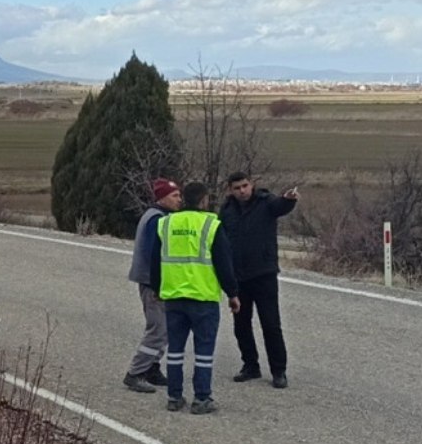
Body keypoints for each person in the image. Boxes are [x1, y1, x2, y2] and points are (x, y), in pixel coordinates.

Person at [149, 181, 241, 414]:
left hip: (174, 297)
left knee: (175, 350)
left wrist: (157, 288)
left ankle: (174, 396)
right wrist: (232, 293)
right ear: (203, 200)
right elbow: (224, 262)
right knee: (203, 352)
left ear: (183, 199)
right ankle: (201, 398)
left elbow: (155, 260)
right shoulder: (211, 224)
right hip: (203, 297)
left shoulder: (166, 223)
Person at [218, 171, 299, 389]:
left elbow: (280, 207)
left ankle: (278, 371)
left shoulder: (266, 202)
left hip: (264, 274)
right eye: (237, 188)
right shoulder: (226, 211)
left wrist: (289, 200)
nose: (242, 191)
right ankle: (250, 366)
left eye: (245, 186)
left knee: (271, 324)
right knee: (241, 325)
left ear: (251, 185)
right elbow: (221, 241)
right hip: (238, 276)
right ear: (230, 190)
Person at [123, 178, 183, 393]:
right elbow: (155, 255)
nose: (179, 200)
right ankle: (135, 373)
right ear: (162, 198)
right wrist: (159, 285)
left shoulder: (159, 216)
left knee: (165, 328)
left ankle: (152, 368)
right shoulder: (156, 219)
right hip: (153, 283)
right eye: (175, 196)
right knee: (157, 329)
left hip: (157, 282)